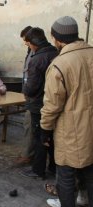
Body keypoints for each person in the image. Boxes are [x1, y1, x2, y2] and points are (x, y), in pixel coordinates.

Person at [40, 16, 93, 207]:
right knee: (89, 171)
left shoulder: (60, 64)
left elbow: (52, 105)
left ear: (57, 38)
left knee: (66, 176)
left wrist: (44, 129)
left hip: (72, 132)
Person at [20, 27, 58, 179]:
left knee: (39, 138)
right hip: (53, 102)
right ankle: (53, 168)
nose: (28, 47)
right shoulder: (56, 53)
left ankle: (38, 170)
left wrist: (25, 90)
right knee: (52, 137)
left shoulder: (37, 59)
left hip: (39, 104)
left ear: (32, 43)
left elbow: (32, 87)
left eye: (27, 44)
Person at [15, 25, 36, 165]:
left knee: (29, 125)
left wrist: (28, 92)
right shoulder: (30, 52)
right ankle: (28, 152)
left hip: (34, 97)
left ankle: (27, 155)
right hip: (29, 95)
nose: (25, 43)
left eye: (26, 41)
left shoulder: (37, 54)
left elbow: (33, 78)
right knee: (29, 125)